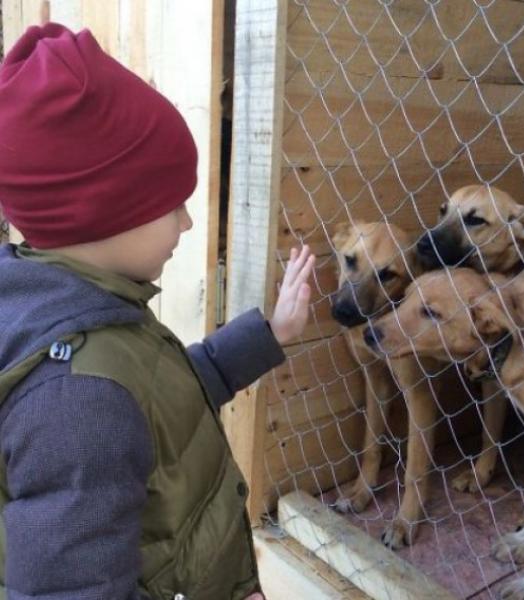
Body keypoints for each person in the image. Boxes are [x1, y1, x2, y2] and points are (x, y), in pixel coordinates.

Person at [0, 22, 314, 600]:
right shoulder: (77, 401)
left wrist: (270, 333)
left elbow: (159, 402)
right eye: (174, 205)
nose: (189, 223)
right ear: (102, 213)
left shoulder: (75, 310)